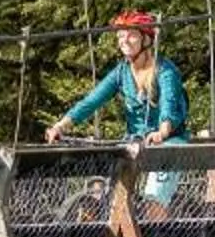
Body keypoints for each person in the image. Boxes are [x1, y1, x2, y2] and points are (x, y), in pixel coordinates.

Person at [48, 11, 190, 145]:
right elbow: (91, 101)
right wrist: (60, 126)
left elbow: (169, 103)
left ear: (146, 39)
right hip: (135, 142)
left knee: (164, 159)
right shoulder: (121, 71)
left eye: (132, 35)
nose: (125, 40)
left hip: (168, 140)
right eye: (121, 36)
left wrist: (162, 132)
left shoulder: (164, 70)